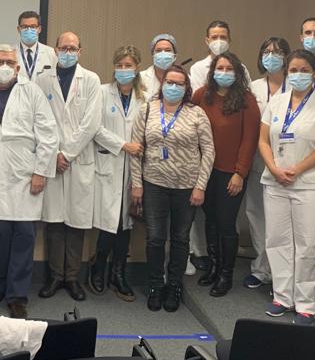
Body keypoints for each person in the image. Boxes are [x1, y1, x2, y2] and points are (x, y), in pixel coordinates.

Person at [258, 49, 315, 324]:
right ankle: (282, 296)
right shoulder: (276, 102)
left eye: (304, 70)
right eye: (293, 70)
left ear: (314, 73)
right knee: (277, 240)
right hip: (276, 181)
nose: (298, 74)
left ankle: (306, 302)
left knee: (309, 244)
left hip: (310, 184)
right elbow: (263, 140)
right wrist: (274, 168)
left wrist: (297, 169)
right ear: (286, 72)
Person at [0, 44, 59, 318]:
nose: (4, 66)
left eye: (9, 62)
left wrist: (40, 172)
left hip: (25, 174)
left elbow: (48, 134)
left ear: (17, 67)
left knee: (24, 237)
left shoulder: (31, 91)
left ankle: (17, 296)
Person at [130, 65, 214, 313]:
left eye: (179, 83)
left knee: (180, 238)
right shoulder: (147, 110)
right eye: (170, 82)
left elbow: (209, 151)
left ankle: (174, 285)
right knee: (155, 238)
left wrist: (200, 186)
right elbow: (136, 149)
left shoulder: (196, 113)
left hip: (186, 187)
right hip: (154, 184)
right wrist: (137, 184)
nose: (173, 87)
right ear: (162, 84)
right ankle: (156, 285)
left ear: (186, 88)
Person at [37, 31, 101, 301]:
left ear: (80, 51)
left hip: (78, 159)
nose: (68, 52)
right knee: (53, 222)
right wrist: (54, 154)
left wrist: (68, 154)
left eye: (73, 48)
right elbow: (39, 120)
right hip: (52, 158)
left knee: (76, 222)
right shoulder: (42, 80)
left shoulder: (91, 80)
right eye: (63, 47)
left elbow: (91, 123)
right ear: (55, 50)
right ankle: (54, 277)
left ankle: (72, 278)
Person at [192, 52, 260, 297]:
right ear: (212, 72)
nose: (223, 72)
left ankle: (225, 274)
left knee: (225, 223)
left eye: (229, 68)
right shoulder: (201, 95)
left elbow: (250, 139)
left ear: (237, 72)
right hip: (205, 171)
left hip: (231, 173)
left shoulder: (246, 100)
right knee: (210, 219)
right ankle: (213, 266)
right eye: (219, 68)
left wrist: (240, 172)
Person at [90, 45, 146, 301]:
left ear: (137, 68)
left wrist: (134, 148)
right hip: (108, 165)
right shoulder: (102, 92)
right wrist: (123, 145)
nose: (124, 70)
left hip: (134, 168)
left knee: (126, 224)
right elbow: (94, 128)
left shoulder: (145, 97)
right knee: (108, 224)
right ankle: (98, 267)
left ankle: (118, 274)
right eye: (120, 65)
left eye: (129, 65)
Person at [241, 37, 289, 289]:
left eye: (277, 52)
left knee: (283, 221)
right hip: (258, 159)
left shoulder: (296, 87)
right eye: (267, 52)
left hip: (288, 162)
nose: (271, 56)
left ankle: (283, 275)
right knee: (257, 215)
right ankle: (261, 268)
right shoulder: (253, 88)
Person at [188, 20, 252, 91]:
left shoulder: (241, 68)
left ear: (229, 40)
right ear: (207, 41)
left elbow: (247, 93)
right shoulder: (198, 68)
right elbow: (198, 95)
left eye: (223, 37)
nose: (219, 41)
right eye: (214, 37)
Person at [15, 10, 56, 83]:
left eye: (33, 26)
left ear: (39, 29)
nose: (29, 30)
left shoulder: (51, 52)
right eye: (24, 26)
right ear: (18, 29)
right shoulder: (10, 53)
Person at [139, 34, 177, 101]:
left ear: (174, 55)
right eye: (158, 50)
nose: (163, 53)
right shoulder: (141, 78)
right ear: (153, 55)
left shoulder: (185, 79)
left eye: (168, 50)